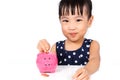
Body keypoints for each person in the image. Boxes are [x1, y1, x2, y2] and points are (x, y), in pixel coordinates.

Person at [37, 0, 100, 80]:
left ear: (89, 21)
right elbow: (48, 66)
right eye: (66, 20)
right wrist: (43, 53)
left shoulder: (92, 45)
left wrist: (87, 70)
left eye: (78, 20)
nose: (71, 27)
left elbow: (95, 61)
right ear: (60, 21)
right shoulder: (56, 47)